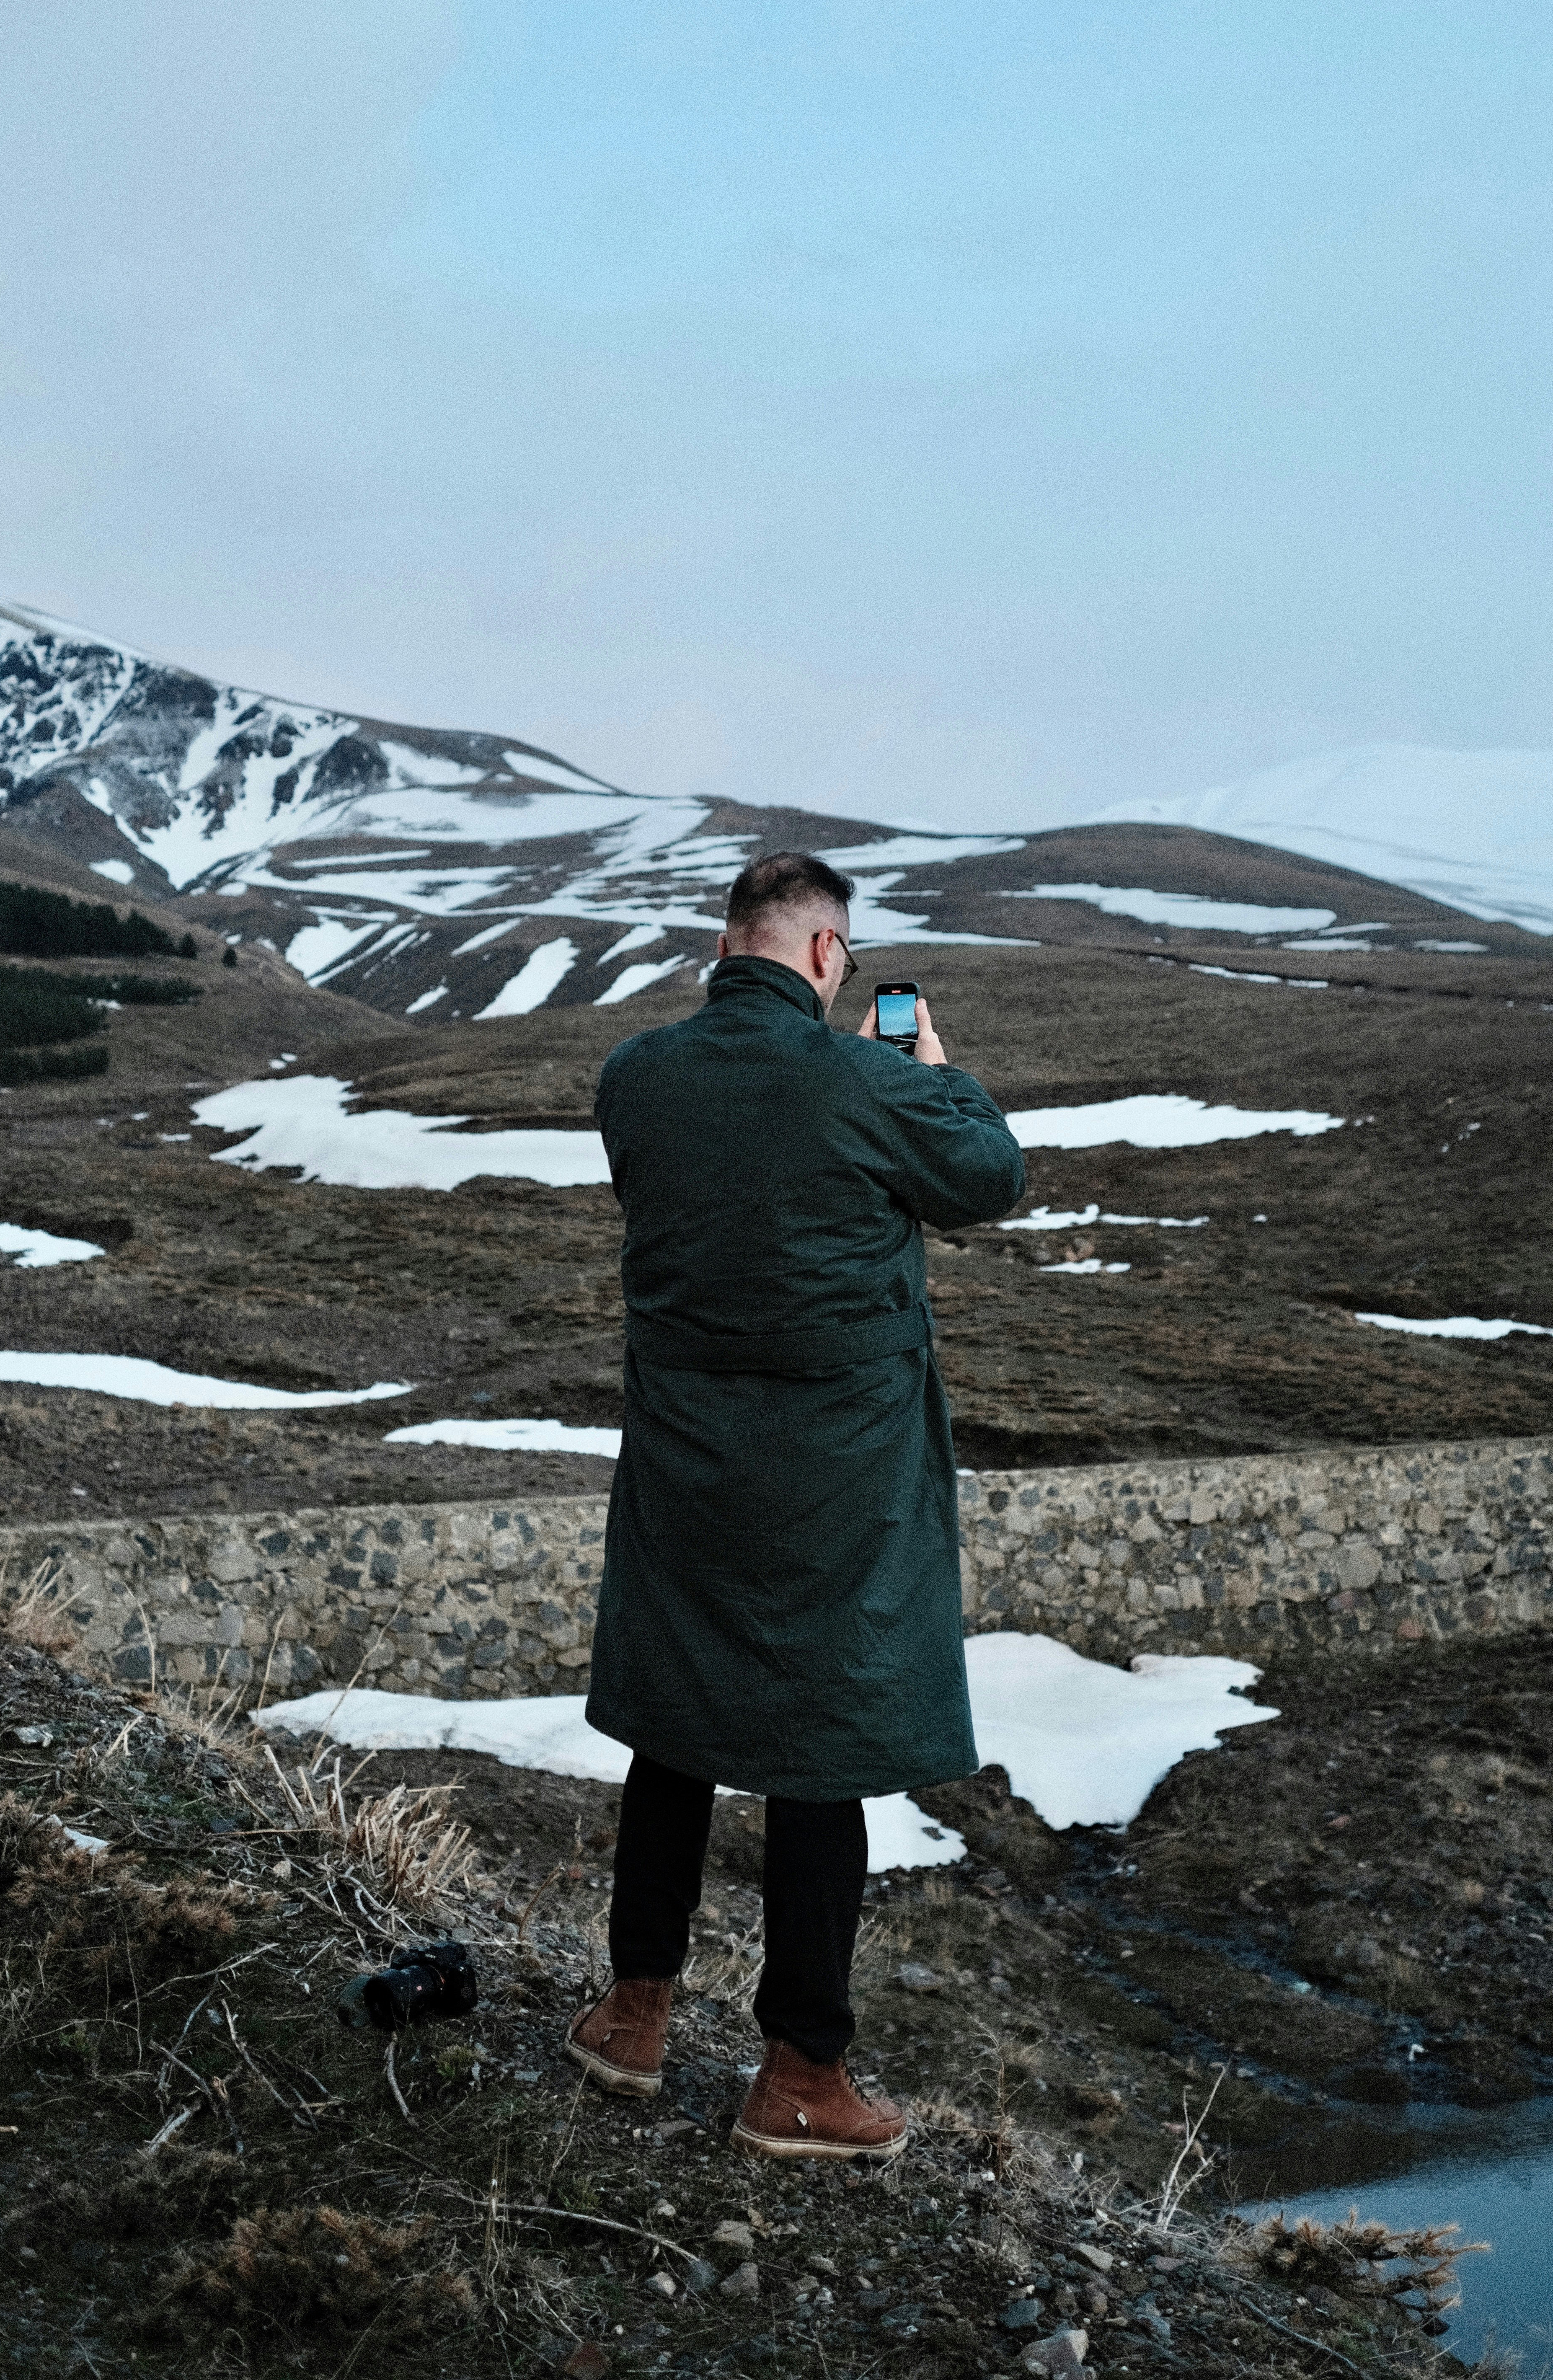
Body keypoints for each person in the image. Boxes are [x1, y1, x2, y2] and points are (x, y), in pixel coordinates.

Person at [565, 850, 1026, 2159]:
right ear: (828, 955)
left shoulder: (635, 1076)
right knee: (824, 1745)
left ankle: (634, 2015)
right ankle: (802, 2074)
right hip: (836, 1476)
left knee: (678, 1713)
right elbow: (989, 1178)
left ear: (728, 946)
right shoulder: (869, 1080)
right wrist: (936, 1073)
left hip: (683, 1459)